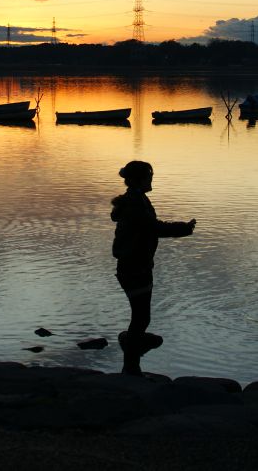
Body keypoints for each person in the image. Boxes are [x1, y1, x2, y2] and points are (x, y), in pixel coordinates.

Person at [111, 160, 196, 375]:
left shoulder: (137, 200)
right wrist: (183, 228)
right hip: (134, 268)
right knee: (141, 316)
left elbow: (150, 228)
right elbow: (153, 228)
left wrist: (181, 228)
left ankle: (131, 362)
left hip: (136, 266)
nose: (152, 179)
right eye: (149, 176)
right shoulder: (135, 204)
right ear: (140, 179)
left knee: (140, 315)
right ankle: (131, 362)